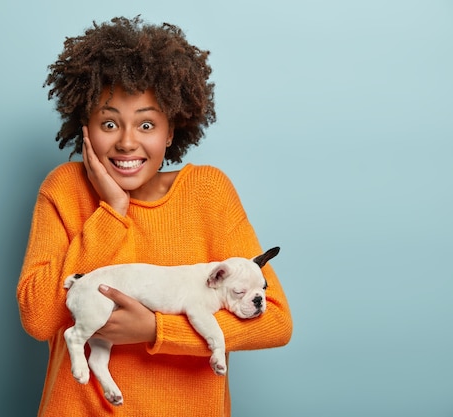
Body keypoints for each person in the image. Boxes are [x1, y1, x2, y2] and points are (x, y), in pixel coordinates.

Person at [17, 16, 292, 417]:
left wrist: (156, 330)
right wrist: (112, 211)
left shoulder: (208, 192)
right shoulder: (64, 188)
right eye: (109, 123)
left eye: (146, 124)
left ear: (171, 131)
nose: (127, 141)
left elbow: (276, 323)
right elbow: (39, 318)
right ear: (86, 129)